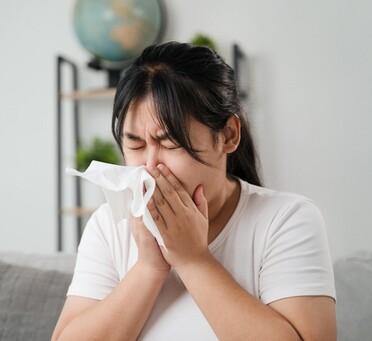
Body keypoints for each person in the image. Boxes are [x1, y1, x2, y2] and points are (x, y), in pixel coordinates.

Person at [52, 41, 336, 340]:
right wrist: (148, 268)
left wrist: (193, 260)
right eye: (135, 144)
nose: (150, 167)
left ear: (228, 135)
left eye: (171, 144)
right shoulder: (109, 226)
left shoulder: (286, 220)